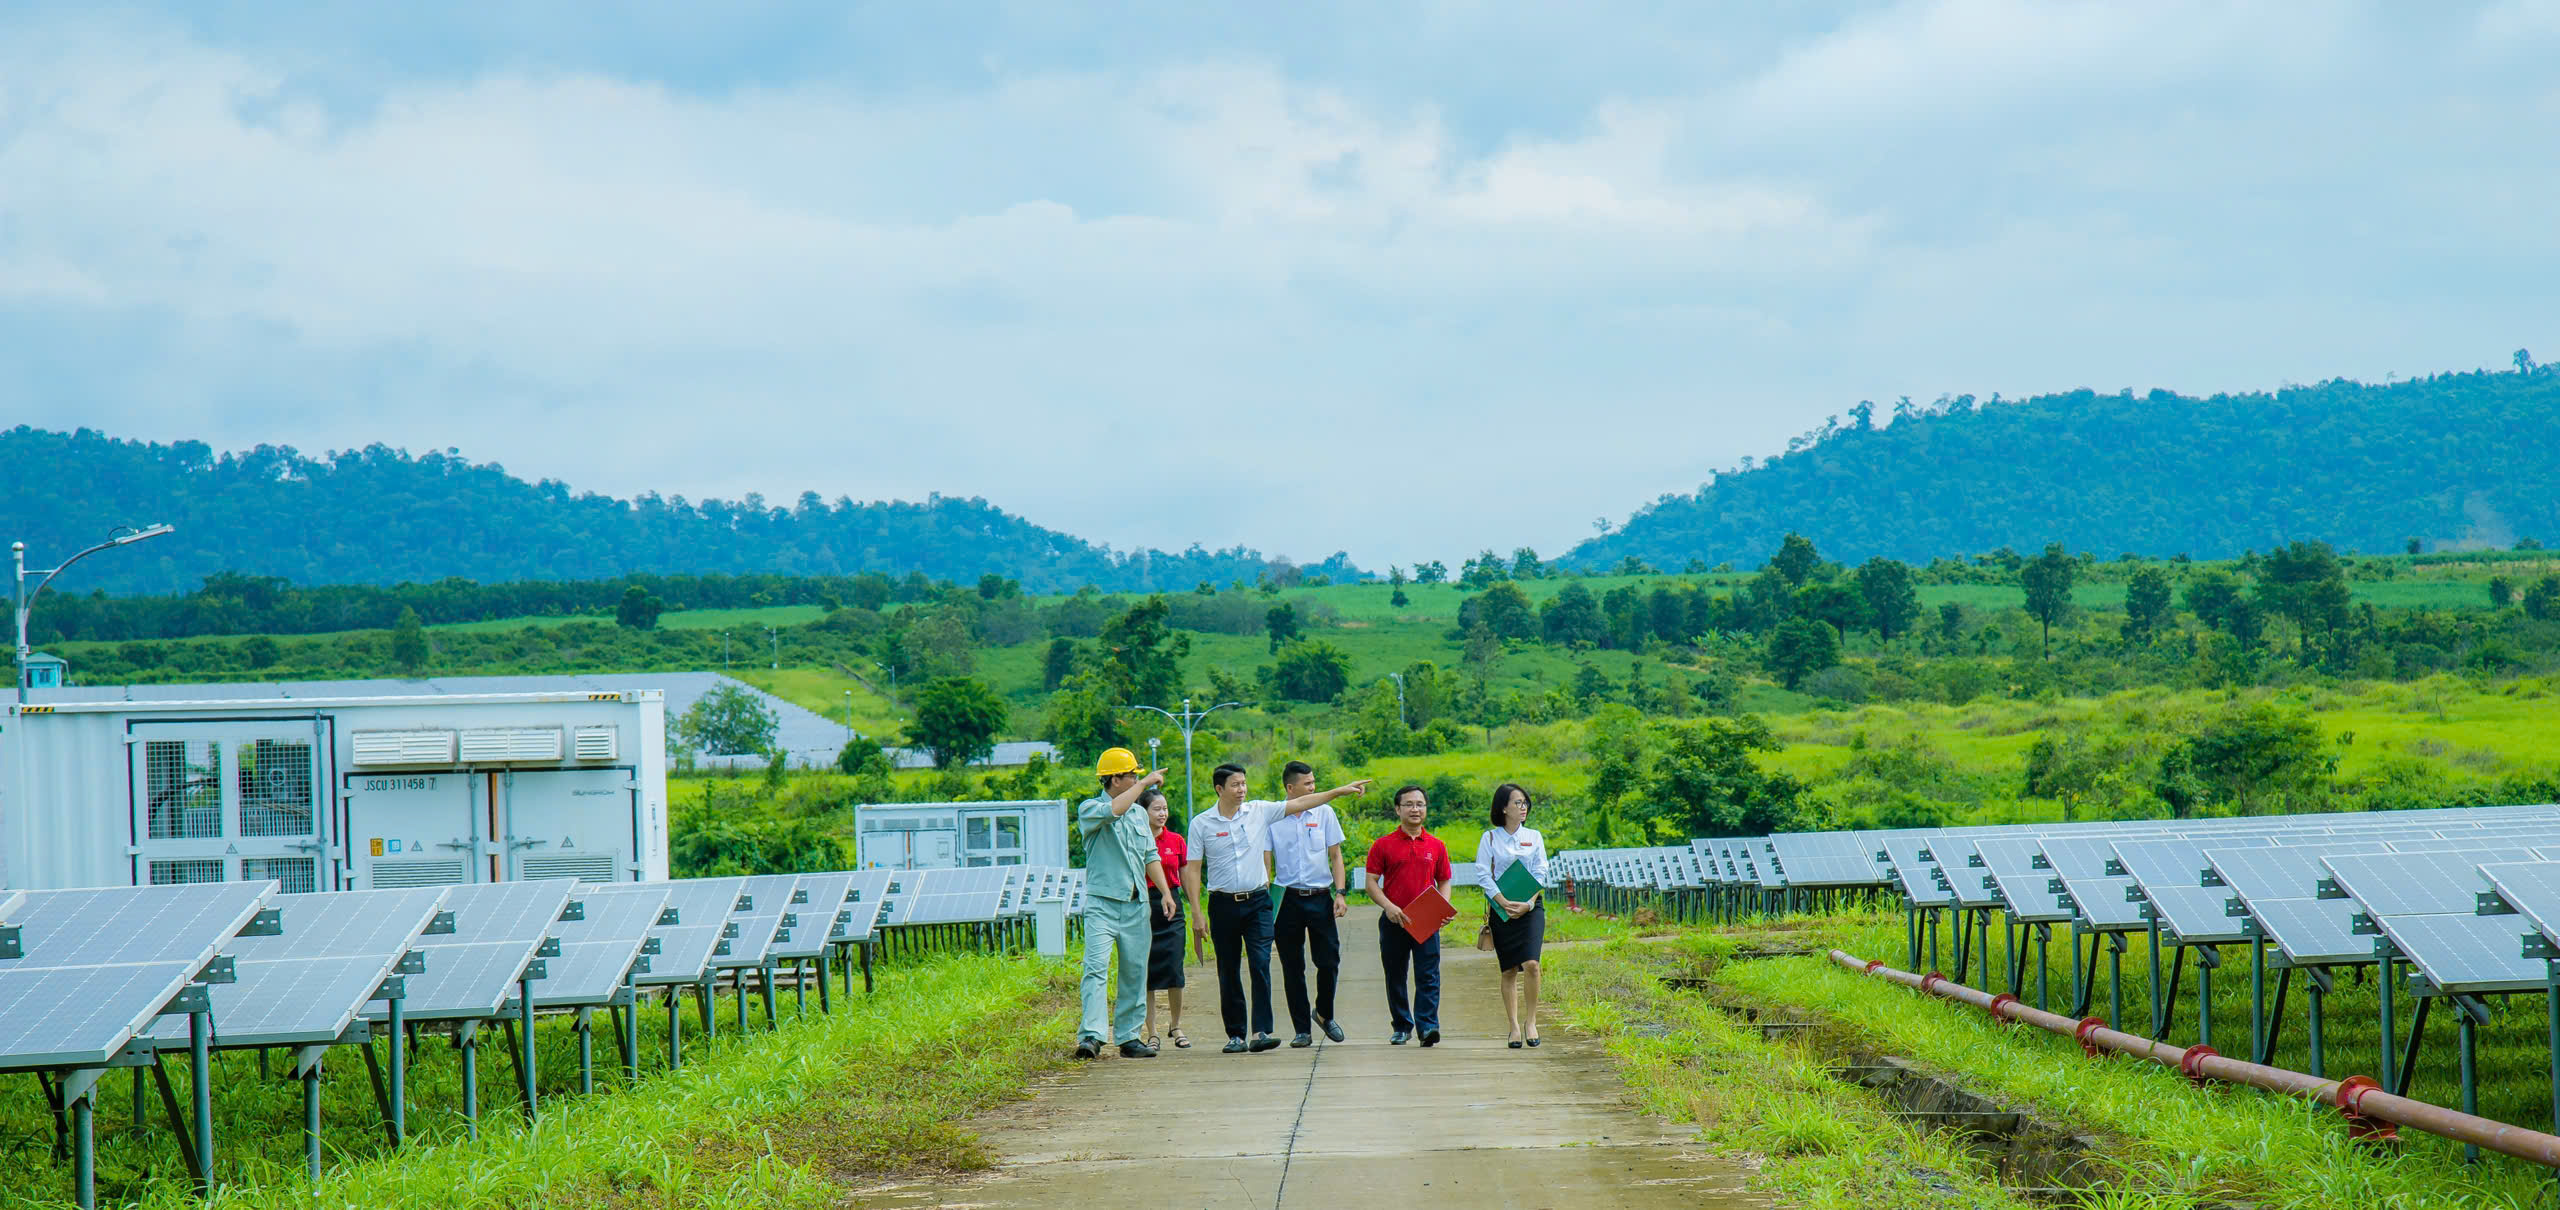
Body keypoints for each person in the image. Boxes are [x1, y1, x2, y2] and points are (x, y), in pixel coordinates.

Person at [1185, 763, 1370, 1054]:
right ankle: (1236, 1034)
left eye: (1244, 783)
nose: (1242, 789)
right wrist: (1196, 912)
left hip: (1259, 901)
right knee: (1229, 968)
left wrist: (1337, 792)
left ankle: (1261, 1030)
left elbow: (1302, 803)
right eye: (1235, 785)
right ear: (1219, 789)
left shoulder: (1259, 811)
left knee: (1261, 964)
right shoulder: (1202, 823)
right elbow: (1193, 869)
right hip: (1223, 904)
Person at [1075, 748, 1177, 1060]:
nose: (1135, 778)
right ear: (1115, 779)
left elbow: (1150, 856)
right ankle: (1092, 1035)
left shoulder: (1137, 815)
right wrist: (1144, 783)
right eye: (1131, 774)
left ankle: (1129, 1037)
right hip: (1102, 905)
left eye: (1136, 774)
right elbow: (1113, 811)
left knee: (1134, 971)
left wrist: (1167, 893)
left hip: (1136, 904)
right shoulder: (1091, 808)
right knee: (1096, 969)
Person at [1265, 760, 1350, 1047]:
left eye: (1314, 782)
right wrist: (1267, 902)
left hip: (1319, 898)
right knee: (1292, 966)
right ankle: (1302, 1029)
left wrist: (1340, 892)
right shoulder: (1272, 817)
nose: (1313, 788)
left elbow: (1336, 856)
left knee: (1329, 961)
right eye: (1307, 784)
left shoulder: (1325, 813)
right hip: (1287, 900)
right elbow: (1266, 862)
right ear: (1290, 788)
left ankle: (1324, 1014)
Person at [1365, 784, 1453, 1046]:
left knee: (1428, 974)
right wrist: (1388, 907)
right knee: (1395, 974)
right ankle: (1402, 1026)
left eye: (1420, 804)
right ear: (1397, 809)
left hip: (1426, 919)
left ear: (1426, 809)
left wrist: (1441, 907)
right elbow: (1371, 882)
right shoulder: (1383, 845)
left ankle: (1428, 1026)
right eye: (1409, 804)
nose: (1415, 809)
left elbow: (1444, 880)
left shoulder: (1436, 845)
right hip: (1394, 920)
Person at [1473, 782, 1549, 1048]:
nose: (1523, 807)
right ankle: (1513, 1026)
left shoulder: (1534, 836)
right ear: (1503, 808)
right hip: (1500, 907)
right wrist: (1502, 901)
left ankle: (1531, 1021)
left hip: (1530, 908)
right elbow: (1483, 873)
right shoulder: (1489, 838)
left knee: (1531, 964)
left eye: (1525, 802)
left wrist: (1528, 903)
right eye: (1517, 803)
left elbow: (1540, 871)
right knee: (1508, 970)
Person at [1142, 788, 1191, 1050]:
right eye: (1156, 809)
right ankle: (1151, 1032)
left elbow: (1185, 877)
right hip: (1144, 906)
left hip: (1173, 906)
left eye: (1165, 809)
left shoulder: (1176, 840)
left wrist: (1195, 909)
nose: (1162, 814)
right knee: (1146, 972)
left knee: (1175, 968)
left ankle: (1176, 1025)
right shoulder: (1136, 840)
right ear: (1143, 812)